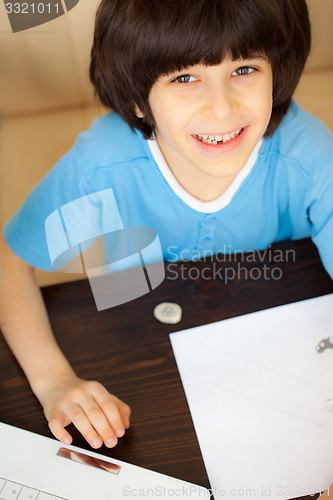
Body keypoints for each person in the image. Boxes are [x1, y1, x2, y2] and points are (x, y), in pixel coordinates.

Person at [0, 0, 332, 450]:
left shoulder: (307, 154)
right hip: (139, 348)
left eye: (244, 70)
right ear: (138, 99)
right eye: (184, 78)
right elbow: (11, 261)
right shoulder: (102, 170)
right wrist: (54, 379)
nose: (221, 108)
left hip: (271, 347)